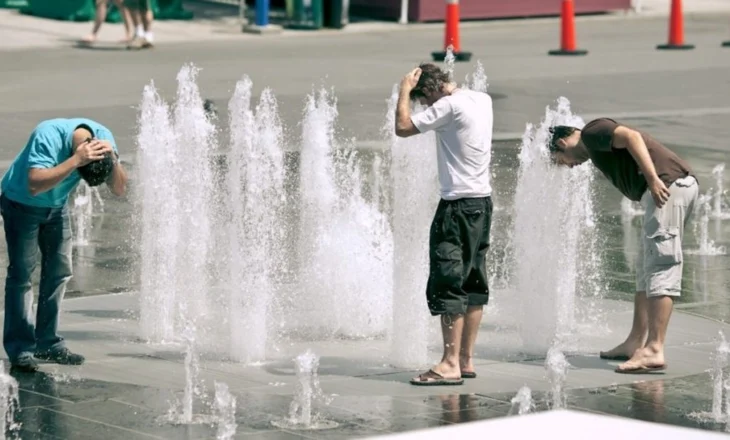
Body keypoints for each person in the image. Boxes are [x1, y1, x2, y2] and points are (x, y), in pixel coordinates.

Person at [548, 118, 698, 374]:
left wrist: (651, 180)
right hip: (667, 189)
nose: (569, 167)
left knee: (661, 266)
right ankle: (635, 342)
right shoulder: (594, 147)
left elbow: (632, 137)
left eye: (560, 161)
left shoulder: (592, 132)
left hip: (665, 187)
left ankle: (654, 349)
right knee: (645, 268)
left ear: (561, 143)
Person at [0, 119, 128, 372]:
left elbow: (119, 189)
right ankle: (21, 349)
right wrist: (76, 161)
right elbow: (35, 184)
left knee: (59, 272)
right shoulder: (47, 134)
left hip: (56, 207)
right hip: (21, 203)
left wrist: (113, 158)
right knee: (22, 275)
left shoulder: (104, 137)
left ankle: (48, 344)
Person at [394, 63, 494, 386]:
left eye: (424, 100)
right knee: (474, 281)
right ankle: (465, 360)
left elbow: (403, 126)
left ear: (432, 90)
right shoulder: (482, 100)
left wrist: (403, 91)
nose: (427, 107)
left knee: (449, 278)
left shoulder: (448, 106)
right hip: (483, 203)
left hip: (457, 207)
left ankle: (449, 363)